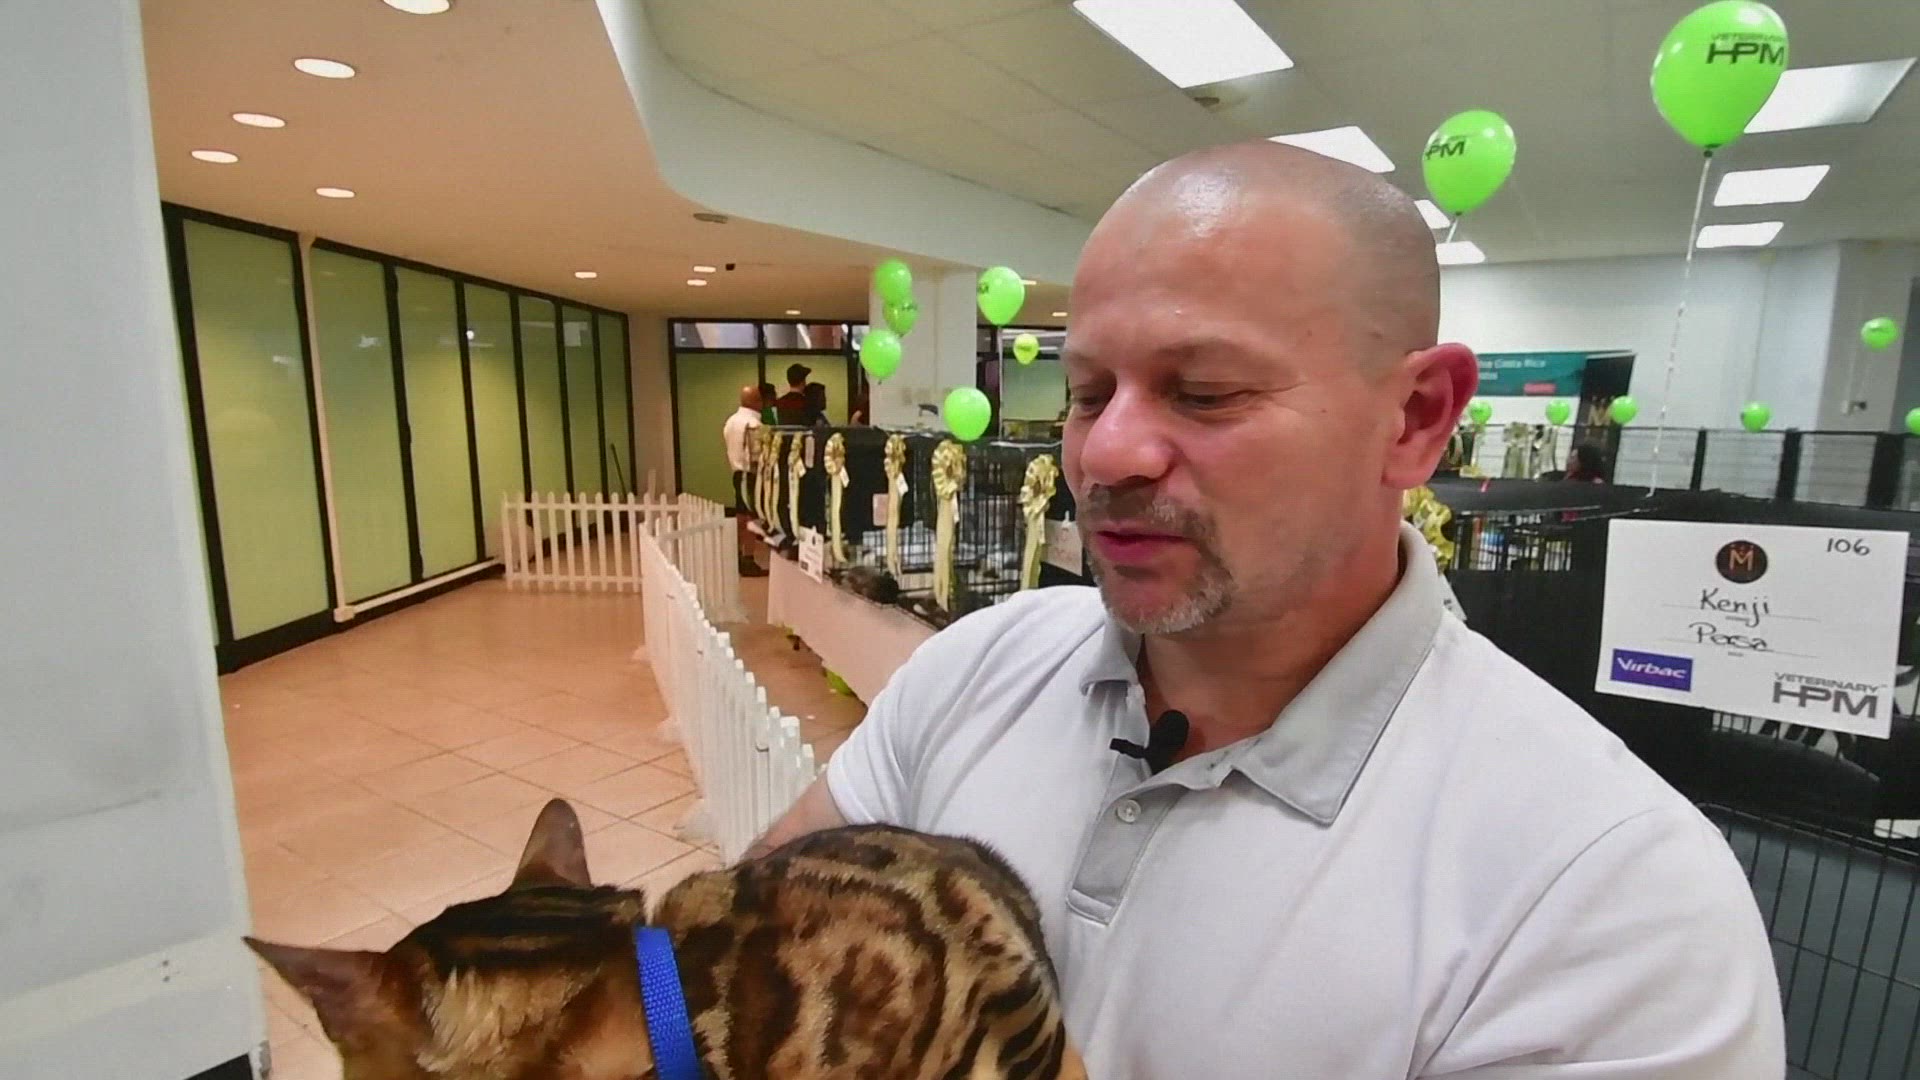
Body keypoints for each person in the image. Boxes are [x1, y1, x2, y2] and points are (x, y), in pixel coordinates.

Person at [747, 141, 1783, 1078]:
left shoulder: (1613, 901)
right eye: (1089, 393)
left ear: (1415, 419)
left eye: (1204, 392)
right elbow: (736, 943)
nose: (1106, 453)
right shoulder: (979, 664)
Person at [721, 384, 766, 577]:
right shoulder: (753, 424)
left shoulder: (731, 421)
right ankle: (748, 558)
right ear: (757, 401)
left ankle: (738, 554)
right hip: (751, 475)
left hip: (737, 473)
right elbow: (757, 455)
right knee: (751, 517)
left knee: (740, 516)